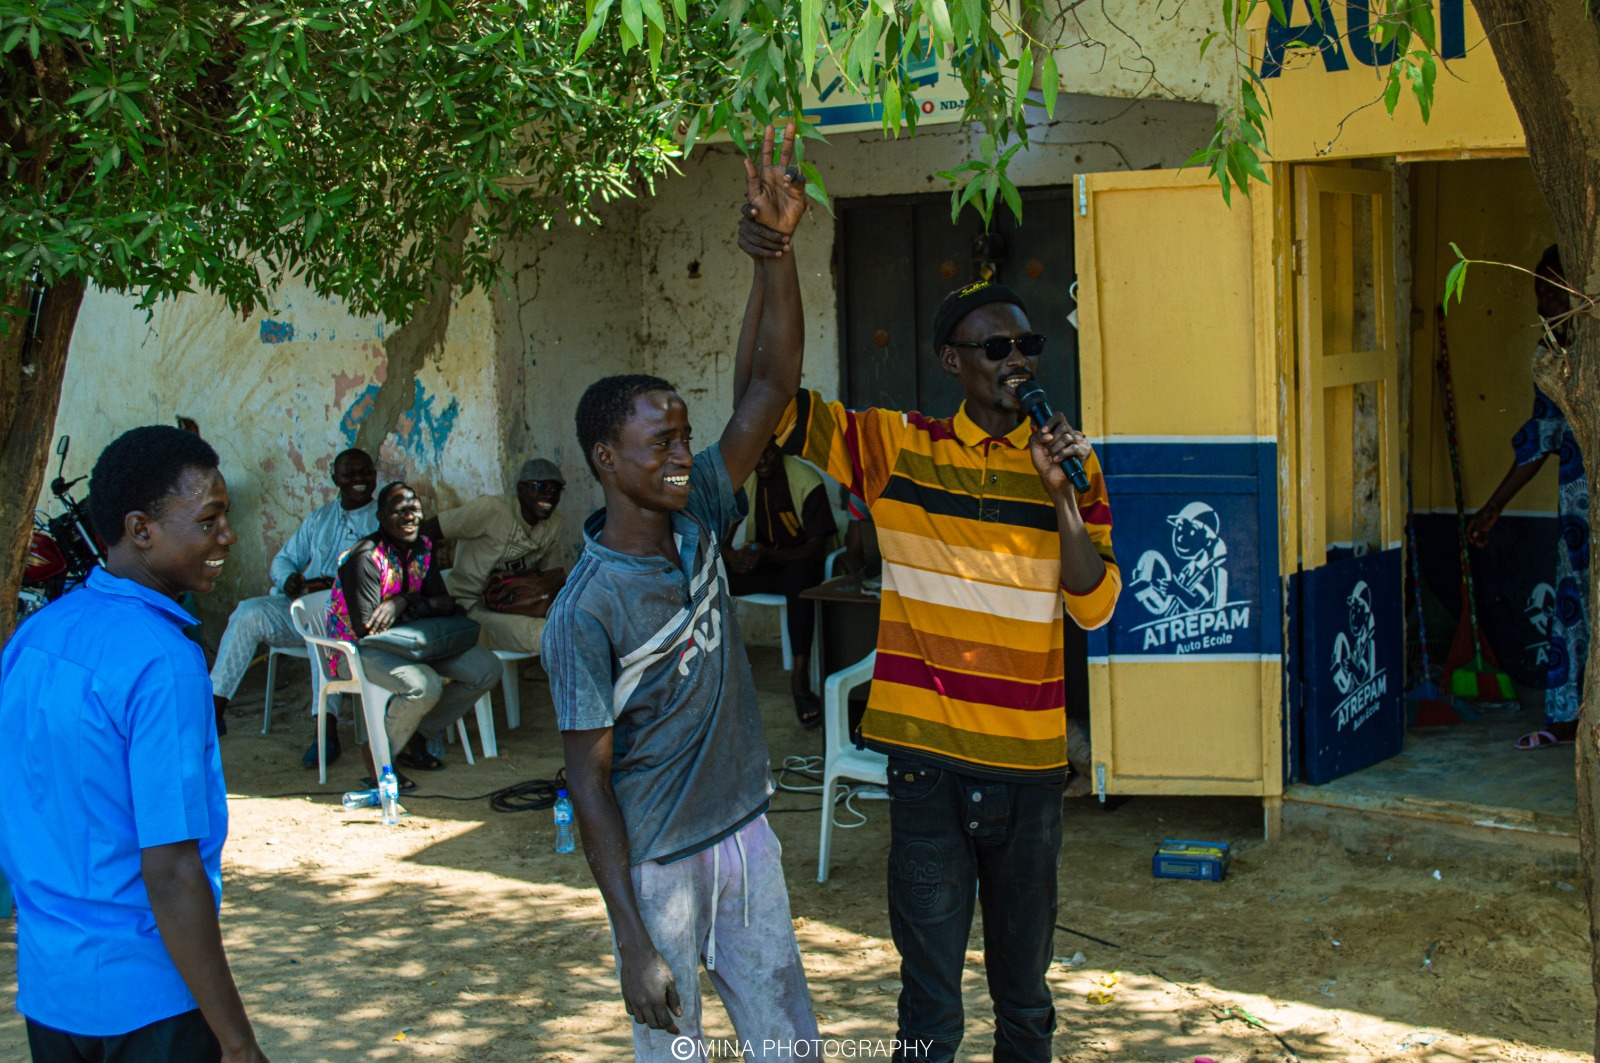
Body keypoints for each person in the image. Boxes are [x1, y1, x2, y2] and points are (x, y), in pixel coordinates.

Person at [742, 242, 1120, 1058]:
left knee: (1025, 1000)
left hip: (1028, 771)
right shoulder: (898, 447)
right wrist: (775, 260)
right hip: (928, 771)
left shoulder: (1074, 465)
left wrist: (1061, 495)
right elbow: (768, 401)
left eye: (1027, 345)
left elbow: (1094, 606)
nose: (1017, 360)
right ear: (953, 360)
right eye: (996, 347)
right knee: (929, 1006)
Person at [542, 125, 818, 1061]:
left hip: (747, 835)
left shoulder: (699, 507)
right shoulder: (586, 609)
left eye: (684, 435)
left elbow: (771, 385)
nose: (680, 454)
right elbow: (588, 781)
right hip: (659, 864)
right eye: (658, 442)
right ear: (605, 458)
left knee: (790, 1044)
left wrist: (776, 252)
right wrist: (631, 938)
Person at [0, 426, 268, 1063]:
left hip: (51, 988)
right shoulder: (164, 663)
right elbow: (172, 870)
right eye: (209, 519)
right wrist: (237, 1041)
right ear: (140, 530)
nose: (227, 536)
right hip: (147, 998)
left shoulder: (35, 637)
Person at [1467, 244, 1585, 750]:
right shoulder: (1551, 360)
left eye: (1553, 290)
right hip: (1579, 517)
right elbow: (1540, 437)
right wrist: (1494, 506)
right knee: (1576, 605)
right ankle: (1568, 717)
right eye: (1539, 291)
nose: (1544, 302)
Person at [208, 447, 377, 767]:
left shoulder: (381, 518)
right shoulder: (321, 518)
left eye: (365, 471)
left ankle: (325, 731)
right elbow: (284, 560)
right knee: (248, 612)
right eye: (350, 473)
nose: (359, 479)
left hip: (349, 621)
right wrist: (288, 579)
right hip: (303, 610)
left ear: (375, 475)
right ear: (335, 478)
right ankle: (213, 712)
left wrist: (335, 587)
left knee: (320, 619)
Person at [326, 482, 498, 787]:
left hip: (412, 643)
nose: (410, 517)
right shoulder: (365, 557)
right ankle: (379, 755)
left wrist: (405, 600)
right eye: (400, 511)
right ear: (381, 517)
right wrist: (423, 605)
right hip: (356, 651)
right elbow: (367, 628)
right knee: (424, 685)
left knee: (486, 668)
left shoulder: (423, 548)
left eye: (415, 510)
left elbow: (442, 601)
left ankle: (416, 731)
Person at [723, 440, 836, 726]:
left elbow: (815, 547)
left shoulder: (806, 480)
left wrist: (768, 554)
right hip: (766, 566)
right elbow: (722, 536)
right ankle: (719, 666)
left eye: (769, 453)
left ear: (780, 451)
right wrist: (732, 557)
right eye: (757, 454)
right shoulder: (747, 478)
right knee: (715, 571)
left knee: (798, 580)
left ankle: (799, 679)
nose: (762, 461)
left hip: (803, 565)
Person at [419, 458, 565, 656]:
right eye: (540, 486)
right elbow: (428, 531)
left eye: (556, 490)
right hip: (470, 607)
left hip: (519, 603)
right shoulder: (493, 509)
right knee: (552, 634)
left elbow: (548, 578)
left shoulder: (554, 523)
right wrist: (434, 589)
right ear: (521, 489)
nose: (549, 494)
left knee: (575, 624)